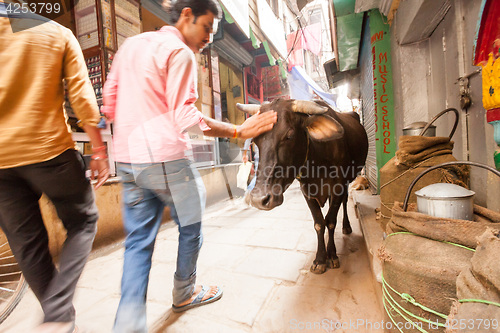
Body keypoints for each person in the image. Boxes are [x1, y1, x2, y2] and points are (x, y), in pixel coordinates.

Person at [101, 0, 277, 331]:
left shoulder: (130, 46)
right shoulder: (179, 52)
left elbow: (109, 104)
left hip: (127, 160)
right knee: (191, 225)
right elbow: (185, 117)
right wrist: (238, 131)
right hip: (167, 160)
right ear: (186, 16)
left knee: (138, 244)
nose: (209, 37)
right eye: (207, 28)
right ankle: (184, 292)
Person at [0, 3, 110, 333]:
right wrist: (99, 150)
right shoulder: (55, 31)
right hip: (50, 151)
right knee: (84, 220)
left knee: (27, 245)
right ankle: (59, 313)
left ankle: (57, 318)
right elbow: (82, 97)